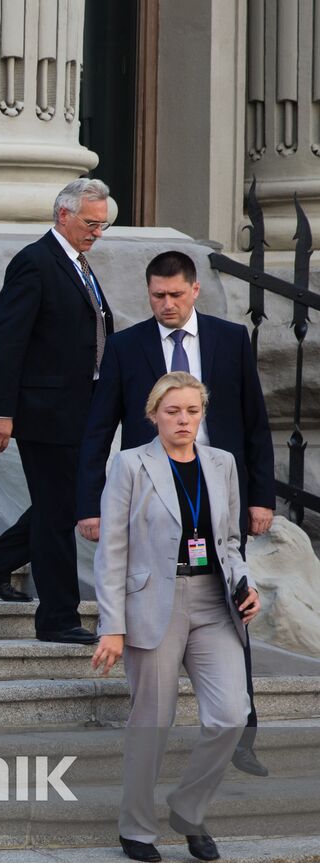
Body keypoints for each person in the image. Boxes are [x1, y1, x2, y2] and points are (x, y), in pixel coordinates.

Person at [77, 250, 275, 776]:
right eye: (156, 296)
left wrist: (261, 498)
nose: (165, 304)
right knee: (158, 605)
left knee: (236, 607)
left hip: (219, 491)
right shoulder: (126, 346)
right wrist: (89, 505)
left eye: (174, 295)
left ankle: (242, 732)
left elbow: (255, 422)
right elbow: (99, 428)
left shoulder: (230, 340)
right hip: (151, 498)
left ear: (194, 292)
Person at [91, 372, 259, 863]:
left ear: (202, 413)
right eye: (172, 411)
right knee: (153, 722)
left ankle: (188, 809)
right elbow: (113, 551)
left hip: (214, 602)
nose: (182, 420)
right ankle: (137, 827)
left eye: (191, 411)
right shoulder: (130, 465)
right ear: (153, 415)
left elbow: (229, 541)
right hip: (152, 605)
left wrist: (245, 584)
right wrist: (112, 626)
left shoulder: (222, 463)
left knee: (231, 715)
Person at [0, 178, 114, 644]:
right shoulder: (34, 262)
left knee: (61, 505)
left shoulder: (80, 263)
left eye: (103, 225)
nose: (97, 233)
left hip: (81, 410)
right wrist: (2, 412)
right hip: (45, 413)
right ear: (63, 215)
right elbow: (7, 343)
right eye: (91, 223)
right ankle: (57, 618)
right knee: (57, 514)